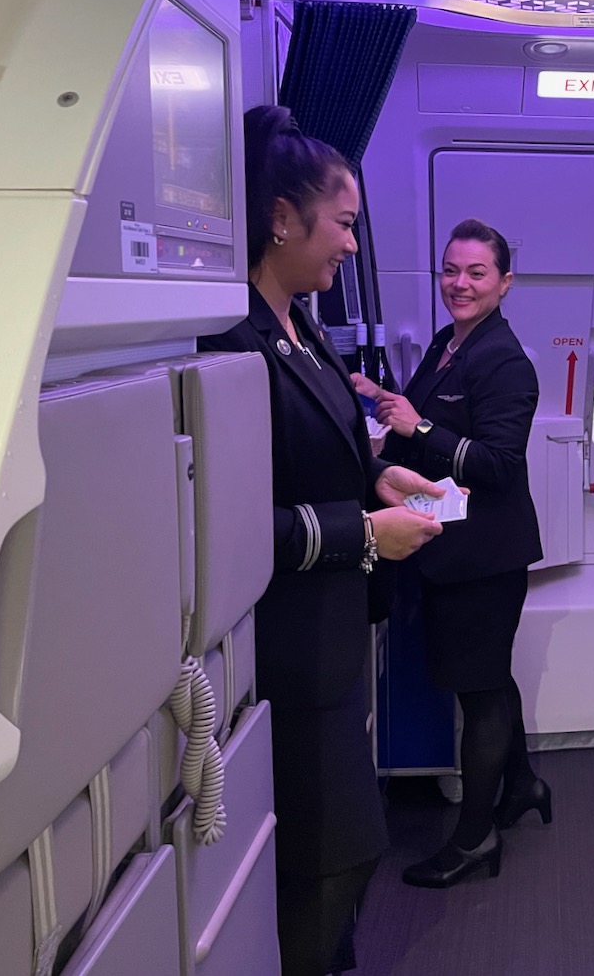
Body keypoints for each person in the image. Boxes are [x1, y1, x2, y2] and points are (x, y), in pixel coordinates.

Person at [199, 105, 445, 976]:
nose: (349, 245)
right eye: (341, 224)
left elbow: (317, 462)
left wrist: (379, 479)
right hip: (289, 653)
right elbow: (231, 529)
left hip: (334, 642)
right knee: (336, 855)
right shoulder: (233, 342)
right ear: (279, 219)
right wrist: (366, 533)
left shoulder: (305, 332)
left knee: (331, 860)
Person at [355, 218, 548, 889]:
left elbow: (495, 464)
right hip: (456, 547)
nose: (458, 284)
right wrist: (384, 416)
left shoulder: (505, 361)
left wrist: (419, 426)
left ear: (504, 283)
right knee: (489, 675)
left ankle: (475, 837)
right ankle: (522, 783)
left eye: (474, 273)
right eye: (450, 270)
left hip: (485, 557)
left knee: (482, 693)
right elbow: (419, 425)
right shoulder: (447, 343)